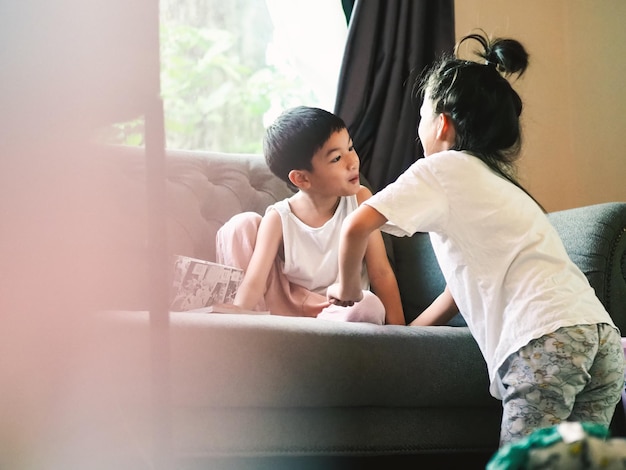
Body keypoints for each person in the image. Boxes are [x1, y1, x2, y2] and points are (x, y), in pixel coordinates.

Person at [327, 32, 624, 444]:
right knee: (575, 459)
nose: (419, 129)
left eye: (421, 118)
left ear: (443, 124)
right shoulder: (503, 185)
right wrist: (414, 328)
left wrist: (345, 287)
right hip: (600, 336)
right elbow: (460, 287)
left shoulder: (442, 169)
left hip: (545, 339)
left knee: (523, 459)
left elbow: (356, 225)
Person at [216, 106, 405, 325]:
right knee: (242, 225)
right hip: (287, 310)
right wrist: (238, 311)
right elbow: (255, 282)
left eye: (350, 148)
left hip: (340, 310)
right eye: (336, 158)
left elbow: (380, 272)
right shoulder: (279, 217)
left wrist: (401, 333)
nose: (352, 162)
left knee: (368, 304)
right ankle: (252, 329)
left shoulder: (360, 199)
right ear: (302, 179)